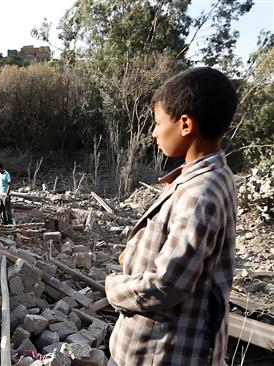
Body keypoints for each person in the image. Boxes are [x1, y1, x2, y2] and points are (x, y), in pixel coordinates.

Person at [105, 67, 238, 366]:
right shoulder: (210, 176)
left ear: (186, 125)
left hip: (163, 353)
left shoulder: (200, 193)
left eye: (158, 122)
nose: (153, 132)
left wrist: (114, 287)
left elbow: (167, 284)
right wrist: (134, 254)